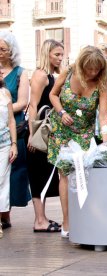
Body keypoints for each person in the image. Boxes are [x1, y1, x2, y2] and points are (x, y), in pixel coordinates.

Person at [48, 46, 107, 238]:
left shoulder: (102, 83)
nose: (92, 73)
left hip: (84, 133)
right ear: (82, 65)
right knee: (65, 175)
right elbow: (53, 95)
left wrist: (105, 142)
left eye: (96, 69)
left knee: (85, 175)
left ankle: (86, 217)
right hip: (62, 131)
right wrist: (61, 112)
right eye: (89, 69)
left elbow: (103, 117)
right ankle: (67, 221)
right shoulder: (68, 72)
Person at [27, 39, 63, 233]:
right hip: (38, 131)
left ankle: (42, 217)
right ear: (47, 53)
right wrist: (32, 134)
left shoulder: (51, 75)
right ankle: (39, 220)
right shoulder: (40, 75)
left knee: (44, 173)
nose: (60, 58)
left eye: (61, 55)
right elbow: (33, 105)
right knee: (37, 174)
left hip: (46, 131)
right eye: (57, 54)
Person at [0, 31, 30, 229]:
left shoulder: (20, 72)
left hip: (13, 126)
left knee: (12, 173)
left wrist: (5, 105)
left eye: (2, 49)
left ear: (11, 51)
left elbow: (23, 102)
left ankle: (5, 213)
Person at [0, 65, 18, 238]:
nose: (1, 73)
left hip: (4, 143)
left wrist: (14, 144)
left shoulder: (5, 93)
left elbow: (12, 121)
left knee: (2, 181)